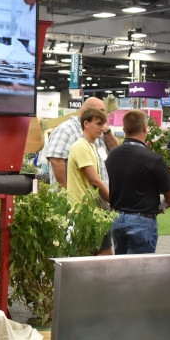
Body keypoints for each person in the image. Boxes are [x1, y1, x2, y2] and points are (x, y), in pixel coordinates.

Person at [105, 110, 170, 254]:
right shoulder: (154, 159)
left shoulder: (112, 155)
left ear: (124, 129)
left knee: (121, 264)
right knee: (141, 266)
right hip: (142, 220)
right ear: (145, 127)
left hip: (117, 218)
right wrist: (161, 206)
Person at [66, 107, 113, 254]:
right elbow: (95, 181)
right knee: (103, 257)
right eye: (98, 124)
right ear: (86, 123)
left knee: (94, 257)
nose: (102, 128)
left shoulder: (91, 145)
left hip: (93, 212)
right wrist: (114, 201)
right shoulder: (81, 146)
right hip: (85, 213)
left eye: (103, 124)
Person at [45, 96, 118, 189]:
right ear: (88, 111)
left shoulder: (100, 130)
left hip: (97, 194)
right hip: (76, 196)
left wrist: (107, 132)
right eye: (101, 111)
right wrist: (65, 191)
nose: (104, 114)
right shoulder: (66, 129)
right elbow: (56, 160)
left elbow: (116, 153)